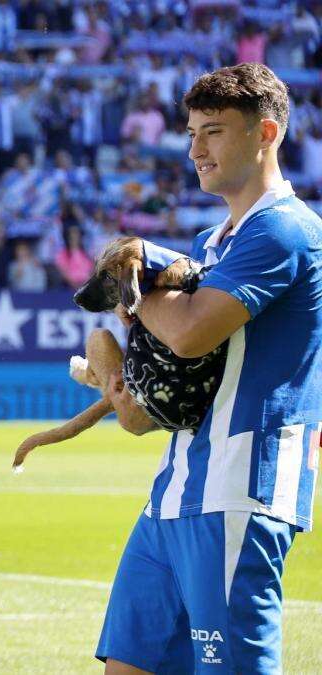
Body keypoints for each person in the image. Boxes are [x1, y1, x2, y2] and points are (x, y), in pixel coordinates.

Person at [98, 64, 320, 674]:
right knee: (127, 667)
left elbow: (191, 334)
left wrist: (140, 273)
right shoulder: (204, 245)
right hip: (175, 490)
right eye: (191, 132)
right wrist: (130, 397)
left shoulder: (286, 230)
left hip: (240, 488)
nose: (196, 149)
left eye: (214, 131)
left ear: (266, 132)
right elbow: (166, 395)